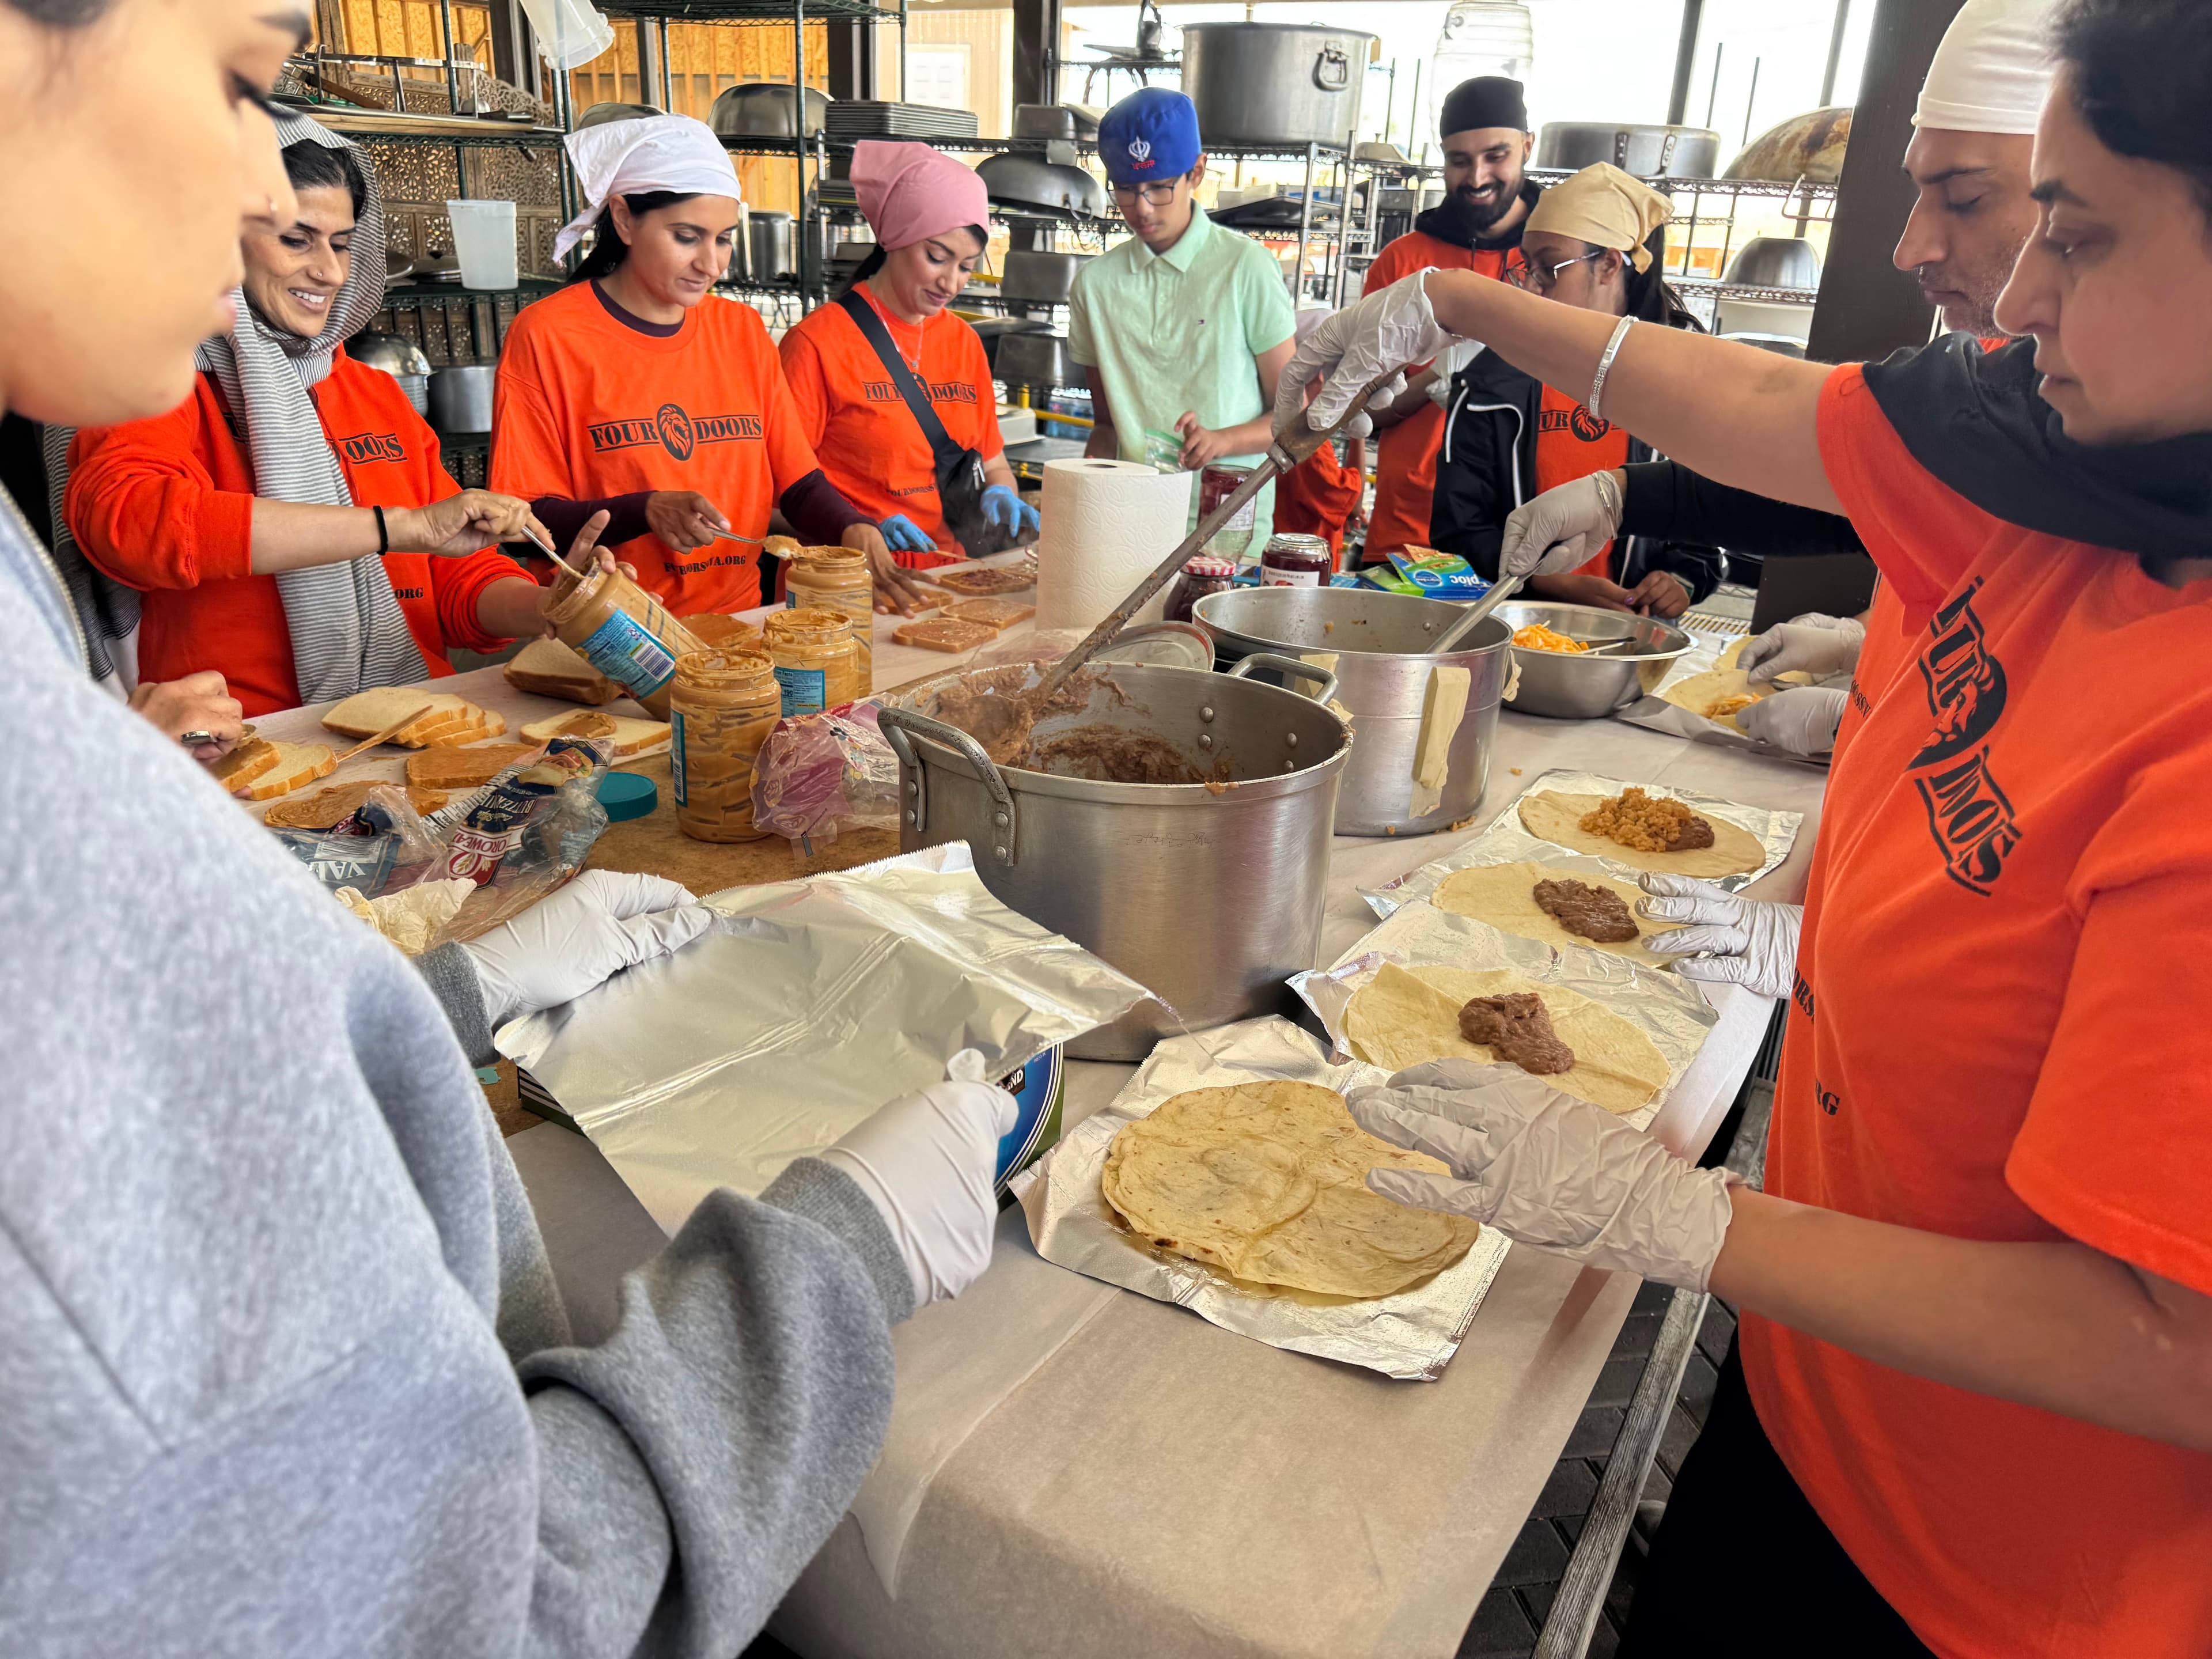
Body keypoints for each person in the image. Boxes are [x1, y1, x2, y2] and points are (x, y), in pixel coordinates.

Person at [0, 8, 1013, 1654]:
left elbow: (440, 586)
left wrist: (543, 613)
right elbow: (457, 1599)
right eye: (245, 84)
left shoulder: (381, 404)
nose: (281, 206)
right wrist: (825, 1276)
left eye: (336, 232)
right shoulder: (157, 403)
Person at [1283, 1, 2212, 1652]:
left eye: (2070, 231)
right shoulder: (2068, 459)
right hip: (1813, 1410)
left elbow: (2173, 1341)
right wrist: (1451, 303)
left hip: (1985, 1574)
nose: (2012, 290)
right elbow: (1767, 411)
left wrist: (1688, 1221)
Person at [1502, 0, 2057, 752]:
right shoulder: (2008, 374)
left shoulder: (2120, 440)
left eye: (1963, 198)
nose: (1910, 247)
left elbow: (1779, 410)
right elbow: (1840, 485)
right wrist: (1865, 641)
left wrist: (1877, 718)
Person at [62, 119, 555, 717]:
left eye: (342, 243)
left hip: (410, 725)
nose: (332, 271)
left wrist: (549, 608)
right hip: (252, 749)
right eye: (297, 240)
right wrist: (393, 527)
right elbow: (131, 527)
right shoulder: (153, 380)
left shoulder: (371, 391)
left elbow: (450, 584)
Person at [491, 115, 925, 616]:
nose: (712, 264)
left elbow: (799, 482)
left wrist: (854, 526)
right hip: (614, 625)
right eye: (687, 237)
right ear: (625, 218)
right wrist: (645, 509)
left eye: (723, 239)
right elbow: (525, 523)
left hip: (741, 618)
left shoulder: (740, 330)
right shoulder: (550, 334)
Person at [1426, 164, 1715, 618]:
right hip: (1518, 632)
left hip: (1630, 637)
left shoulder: (1681, 382)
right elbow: (1459, 530)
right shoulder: (1491, 385)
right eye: (1528, 268)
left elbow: (1705, 519)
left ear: (1608, 264)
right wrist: (1542, 580)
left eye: (1550, 269)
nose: (1533, 288)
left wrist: (1679, 580)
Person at [779, 141, 1036, 569]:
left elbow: (994, 463)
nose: (951, 282)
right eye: (937, 257)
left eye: (967, 266)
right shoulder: (817, 343)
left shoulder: (964, 343)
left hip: (946, 584)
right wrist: (855, 525)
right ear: (895, 237)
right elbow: (778, 496)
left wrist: (1002, 492)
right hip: (843, 586)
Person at [1070, 87, 1297, 532]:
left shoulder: (1244, 267)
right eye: (1126, 189)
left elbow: (1293, 415)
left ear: (1196, 171)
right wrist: (1081, 507)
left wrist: (1222, 441)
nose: (1142, 208)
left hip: (1227, 522)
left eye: (1160, 187)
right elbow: (1105, 427)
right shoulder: (1094, 285)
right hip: (1127, 520)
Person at [1358, 77, 1538, 567]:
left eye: (1495, 156)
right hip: (1408, 530)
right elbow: (1365, 412)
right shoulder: (1403, 262)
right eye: (1459, 161)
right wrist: (1440, 378)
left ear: (1527, 146)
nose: (1477, 177)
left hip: (1521, 531)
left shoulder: (1554, 259)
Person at [1270, 305, 1367, 562]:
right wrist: (1355, 423)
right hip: (1302, 568)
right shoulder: (1304, 441)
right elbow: (1354, 505)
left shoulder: (1300, 432)